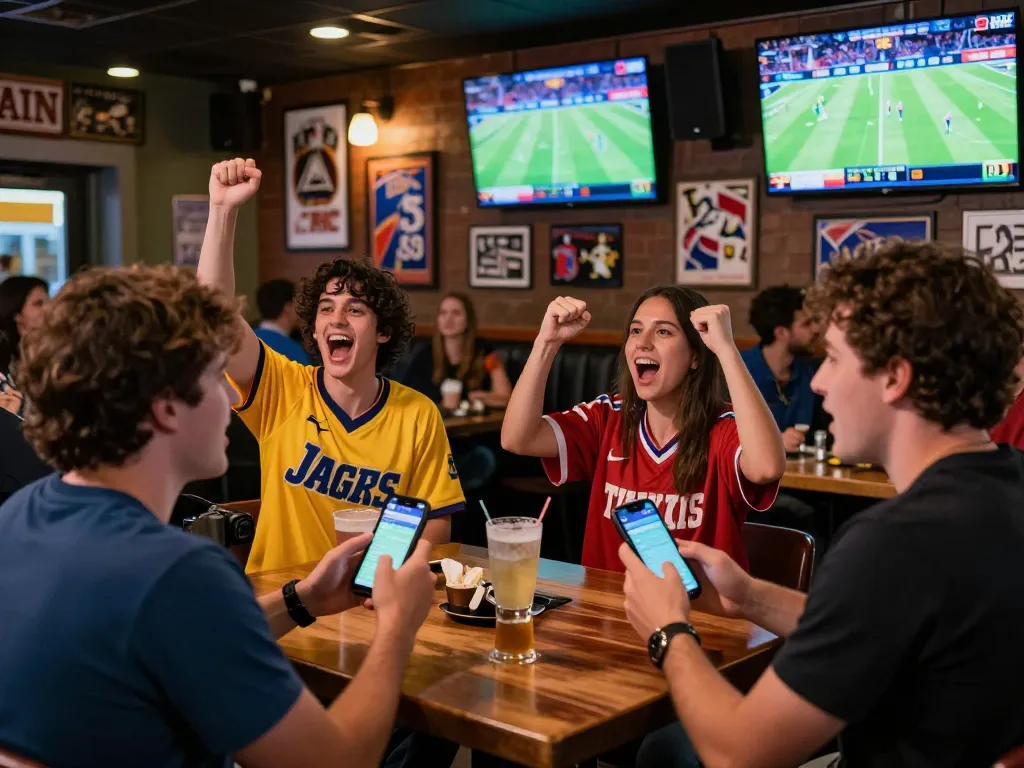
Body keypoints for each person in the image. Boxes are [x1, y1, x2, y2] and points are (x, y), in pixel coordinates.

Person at [0, 264, 438, 767]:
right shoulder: (178, 573)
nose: (232, 396)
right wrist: (398, 627)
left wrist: (303, 599)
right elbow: (335, 761)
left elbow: (185, 631)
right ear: (166, 408)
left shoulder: (19, 515)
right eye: (213, 376)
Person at [621, 241, 1024, 768]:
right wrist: (750, 596)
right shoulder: (1008, 482)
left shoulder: (894, 542)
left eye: (833, 359)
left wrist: (667, 629)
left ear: (895, 377)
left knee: (667, 755)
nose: (818, 382)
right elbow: (887, 622)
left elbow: (738, 752)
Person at [197, 158, 463, 574]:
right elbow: (212, 313)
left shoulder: (418, 415)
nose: (336, 319)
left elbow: (436, 522)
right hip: (282, 604)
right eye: (326, 309)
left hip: (366, 603)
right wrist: (222, 211)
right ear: (315, 327)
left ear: (383, 332)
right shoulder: (285, 388)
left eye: (354, 310)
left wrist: (383, 575)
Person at [501, 287, 785, 573]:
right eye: (635, 331)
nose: (643, 343)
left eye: (663, 332)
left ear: (695, 357)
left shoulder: (722, 427)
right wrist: (546, 343)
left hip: (697, 613)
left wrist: (726, 349)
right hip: (607, 610)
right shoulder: (607, 416)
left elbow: (766, 467)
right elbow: (517, 439)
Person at [741, 284, 819, 453]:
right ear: (782, 332)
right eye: (806, 324)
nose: (816, 330)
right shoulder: (736, 372)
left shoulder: (812, 373)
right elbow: (716, 436)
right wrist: (773, 442)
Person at [404, 292, 511, 408]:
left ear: (468, 320)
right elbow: (405, 397)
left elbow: (505, 398)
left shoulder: (484, 351)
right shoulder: (424, 353)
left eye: (456, 313)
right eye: (443, 313)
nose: (448, 319)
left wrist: (483, 398)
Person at [0, 275, 48, 416]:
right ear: (16, 314)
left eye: (49, 301)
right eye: (38, 303)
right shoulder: (5, 361)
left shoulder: (56, 352)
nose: (49, 308)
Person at [254, 278, 312, 365]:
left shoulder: (246, 339)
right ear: (288, 308)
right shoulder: (293, 352)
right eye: (299, 302)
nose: (303, 308)